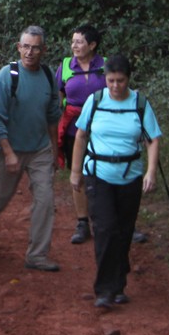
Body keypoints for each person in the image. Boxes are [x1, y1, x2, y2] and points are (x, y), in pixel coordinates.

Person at [0, 25, 63, 272]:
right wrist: (8, 153)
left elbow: (53, 115)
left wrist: (54, 149)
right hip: (7, 147)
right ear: (18, 47)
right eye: (25, 46)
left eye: (35, 48)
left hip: (39, 149)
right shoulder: (7, 76)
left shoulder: (48, 75)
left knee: (45, 200)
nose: (30, 52)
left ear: (43, 50)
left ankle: (37, 255)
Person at [68, 54, 162, 309]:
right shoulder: (95, 101)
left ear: (128, 79)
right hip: (98, 174)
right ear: (105, 79)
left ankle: (118, 285)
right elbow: (81, 135)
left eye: (120, 81)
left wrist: (151, 172)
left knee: (123, 230)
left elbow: (153, 139)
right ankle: (105, 290)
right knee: (105, 229)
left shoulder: (140, 103)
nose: (115, 86)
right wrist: (75, 171)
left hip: (130, 176)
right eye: (111, 81)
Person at [59, 24, 107, 245]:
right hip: (73, 128)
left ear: (92, 45)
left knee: (105, 173)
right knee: (77, 172)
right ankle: (82, 222)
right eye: (73, 42)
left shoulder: (105, 66)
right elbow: (58, 95)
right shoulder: (66, 66)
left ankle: (109, 220)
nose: (74, 46)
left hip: (103, 127)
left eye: (79, 42)